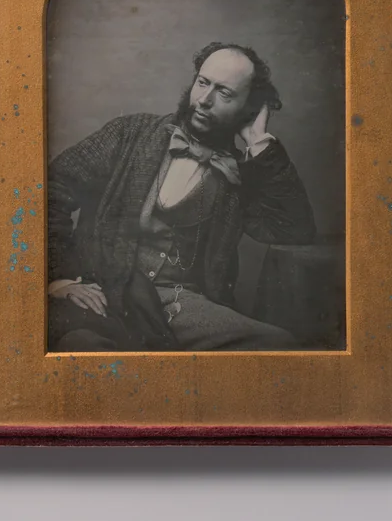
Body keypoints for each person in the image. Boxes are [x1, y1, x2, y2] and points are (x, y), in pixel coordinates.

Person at [46, 41, 316, 352]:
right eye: (203, 83)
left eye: (224, 94)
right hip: (104, 288)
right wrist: (61, 279)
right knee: (88, 350)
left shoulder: (240, 175)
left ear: (248, 109)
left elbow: (293, 230)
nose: (204, 100)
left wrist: (259, 144)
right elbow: (51, 190)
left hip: (178, 304)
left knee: (277, 345)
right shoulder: (130, 133)